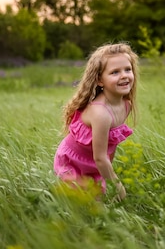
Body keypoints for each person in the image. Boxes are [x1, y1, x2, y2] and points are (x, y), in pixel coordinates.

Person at [53, 42, 139, 201]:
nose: (124, 75)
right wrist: (117, 185)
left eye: (128, 69)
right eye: (115, 72)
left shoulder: (126, 105)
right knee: (84, 204)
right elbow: (100, 157)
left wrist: (106, 174)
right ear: (100, 80)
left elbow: (110, 146)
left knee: (100, 201)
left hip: (95, 163)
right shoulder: (100, 113)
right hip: (73, 162)